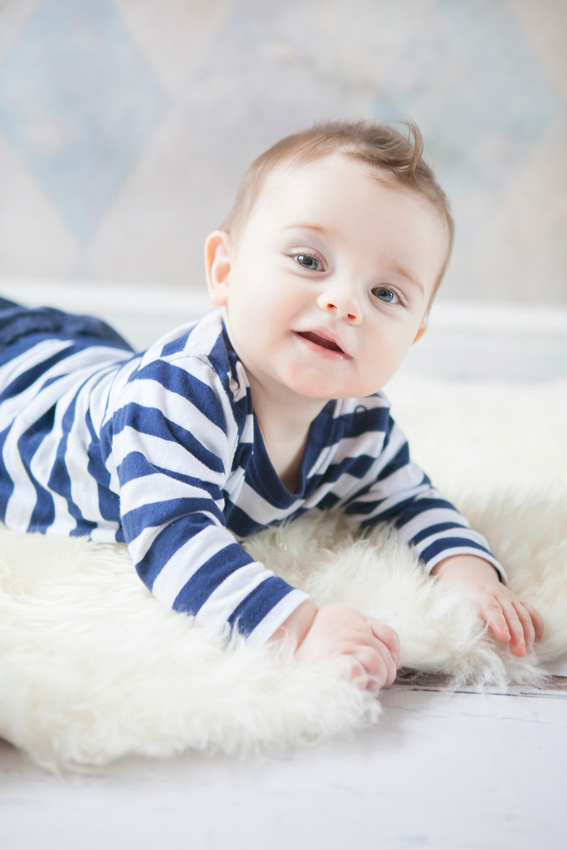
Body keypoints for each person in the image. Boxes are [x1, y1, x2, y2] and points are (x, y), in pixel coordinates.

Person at [0, 121, 542, 690]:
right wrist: (300, 628)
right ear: (225, 272)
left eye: (385, 294)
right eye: (310, 261)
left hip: (88, 357)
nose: (343, 302)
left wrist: (468, 572)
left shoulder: (360, 419)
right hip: (20, 387)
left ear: (413, 337)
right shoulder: (175, 399)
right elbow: (171, 538)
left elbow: (408, 497)